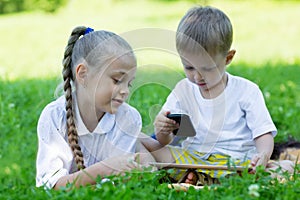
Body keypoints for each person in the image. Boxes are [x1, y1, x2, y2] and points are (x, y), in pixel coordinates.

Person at [142, 6, 295, 185]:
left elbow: (263, 133)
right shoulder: (183, 89)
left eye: (207, 69)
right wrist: (162, 129)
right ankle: (199, 176)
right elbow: (168, 140)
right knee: (141, 142)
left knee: (286, 167)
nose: (197, 77)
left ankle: (197, 179)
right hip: (193, 159)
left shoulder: (246, 91)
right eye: (189, 68)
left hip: (236, 162)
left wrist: (263, 155)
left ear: (228, 58)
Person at [36, 26, 153, 189]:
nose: (126, 91)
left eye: (129, 83)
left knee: (152, 157)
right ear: (83, 74)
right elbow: (51, 187)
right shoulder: (55, 117)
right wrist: (106, 168)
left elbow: (116, 184)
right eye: (117, 80)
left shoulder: (128, 119)